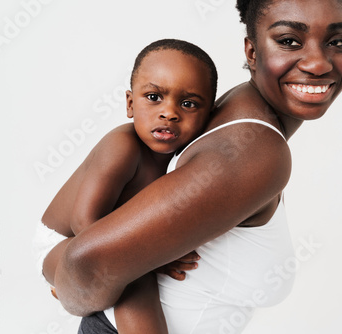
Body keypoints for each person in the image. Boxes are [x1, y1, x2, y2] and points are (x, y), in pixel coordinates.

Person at [49, 0, 342, 332]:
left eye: (336, 42)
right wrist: (66, 282)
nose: (318, 63)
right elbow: (86, 265)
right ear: (252, 53)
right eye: (289, 41)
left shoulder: (243, 108)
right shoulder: (252, 151)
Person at [36, 38, 218, 333]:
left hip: (107, 243)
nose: (169, 112)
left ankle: (89, 289)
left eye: (188, 104)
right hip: (64, 243)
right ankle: (71, 286)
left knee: (129, 271)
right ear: (130, 104)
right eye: (154, 97)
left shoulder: (189, 156)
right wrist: (149, 261)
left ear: (208, 116)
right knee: (135, 280)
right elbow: (84, 222)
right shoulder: (121, 147)